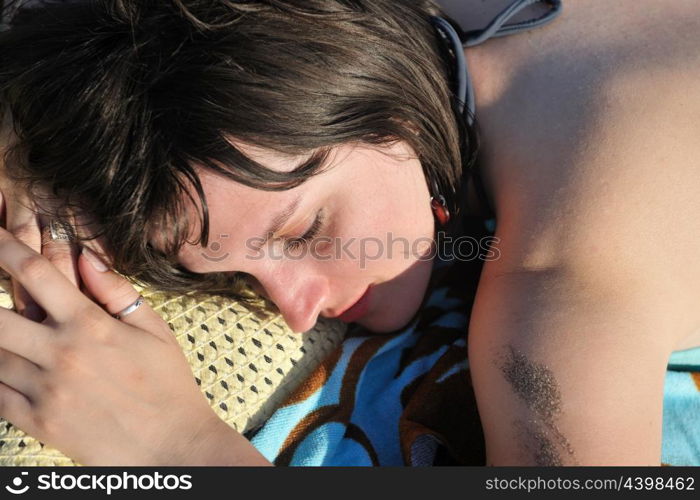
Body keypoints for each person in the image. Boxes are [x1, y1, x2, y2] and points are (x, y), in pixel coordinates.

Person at [0, 0, 698, 465]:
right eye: (236, 276)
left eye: (305, 228)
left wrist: (176, 444)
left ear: (388, 110)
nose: (294, 309)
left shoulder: (560, 301)